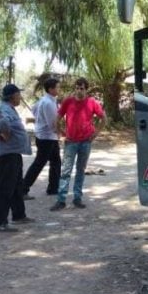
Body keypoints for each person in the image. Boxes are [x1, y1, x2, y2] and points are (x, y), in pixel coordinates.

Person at [50, 77, 105, 211]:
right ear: (74, 88)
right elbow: (57, 119)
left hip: (85, 141)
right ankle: (61, 200)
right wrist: (61, 134)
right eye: (77, 88)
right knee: (66, 171)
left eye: (82, 88)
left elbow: (103, 118)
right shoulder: (68, 101)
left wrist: (95, 133)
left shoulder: (92, 102)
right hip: (71, 142)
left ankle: (77, 198)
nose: (79, 91)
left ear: (86, 89)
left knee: (80, 171)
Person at [0, 84, 34, 232]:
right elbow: (3, 124)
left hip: (13, 153)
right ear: (12, 96)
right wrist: (5, 135)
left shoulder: (9, 108)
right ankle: (0, 222)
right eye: (18, 94)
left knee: (16, 186)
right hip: (6, 154)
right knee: (4, 187)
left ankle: (19, 215)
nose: (20, 97)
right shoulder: (3, 109)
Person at [22, 78, 61, 199]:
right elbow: (52, 124)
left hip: (47, 136)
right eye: (57, 87)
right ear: (51, 89)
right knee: (39, 163)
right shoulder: (49, 103)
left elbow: (34, 111)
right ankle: (23, 189)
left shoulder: (44, 101)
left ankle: (53, 188)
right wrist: (64, 133)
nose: (59, 89)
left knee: (56, 162)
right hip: (47, 137)